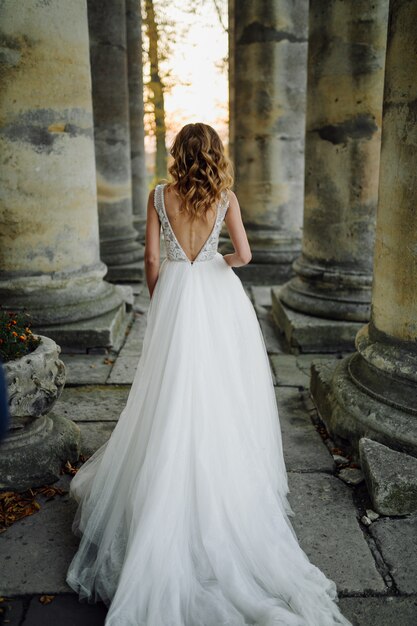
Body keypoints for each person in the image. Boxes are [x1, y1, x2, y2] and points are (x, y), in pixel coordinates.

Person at [66, 123, 352, 626]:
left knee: (169, 392)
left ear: (177, 154)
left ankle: (166, 487)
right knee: (221, 393)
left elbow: (152, 258)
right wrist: (214, 261)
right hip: (217, 297)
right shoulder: (225, 198)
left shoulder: (160, 196)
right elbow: (245, 256)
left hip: (176, 293)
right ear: (216, 155)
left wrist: (163, 297)